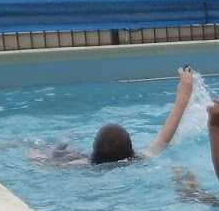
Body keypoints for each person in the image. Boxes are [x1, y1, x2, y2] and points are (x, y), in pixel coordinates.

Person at [48, 66, 198, 165]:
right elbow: (164, 137)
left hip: (78, 162)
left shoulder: (79, 164)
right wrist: (184, 94)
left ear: (94, 152)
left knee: (60, 149)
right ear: (131, 151)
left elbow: (46, 165)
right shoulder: (137, 161)